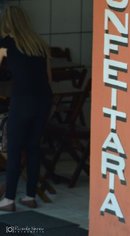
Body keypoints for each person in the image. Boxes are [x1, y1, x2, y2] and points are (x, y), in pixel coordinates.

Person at [0, 6, 53, 211]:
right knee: (33, 148)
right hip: (43, 100)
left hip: (22, 101)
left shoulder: (5, 44)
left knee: (13, 149)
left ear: (6, 22)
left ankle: (9, 200)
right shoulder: (39, 44)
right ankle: (30, 197)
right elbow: (49, 78)